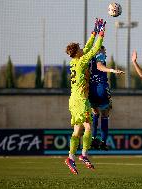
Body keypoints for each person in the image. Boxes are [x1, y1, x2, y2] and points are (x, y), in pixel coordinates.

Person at [64, 19, 105, 175]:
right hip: (80, 99)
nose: (83, 49)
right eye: (80, 48)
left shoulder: (74, 62)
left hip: (73, 100)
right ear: (77, 52)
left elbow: (88, 47)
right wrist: (101, 33)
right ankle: (84, 155)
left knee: (77, 131)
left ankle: (71, 157)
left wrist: (94, 31)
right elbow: (94, 50)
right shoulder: (81, 62)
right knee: (88, 126)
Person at [89, 45, 124, 150]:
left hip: (91, 89)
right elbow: (100, 66)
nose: (105, 54)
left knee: (95, 113)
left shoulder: (87, 58)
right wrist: (112, 70)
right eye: (105, 51)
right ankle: (103, 142)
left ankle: (93, 139)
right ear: (100, 50)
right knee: (105, 114)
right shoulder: (100, 55)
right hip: (101, 88)